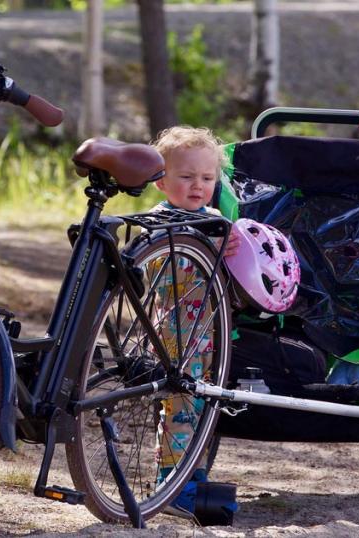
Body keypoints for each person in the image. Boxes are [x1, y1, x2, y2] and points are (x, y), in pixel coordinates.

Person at [147, 126, 237, 519]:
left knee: (203, 407)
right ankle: (171, 482)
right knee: (180, 407)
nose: (197, 186)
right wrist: (206, 249)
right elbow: (162, 274)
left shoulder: (214, 218)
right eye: (186, 177)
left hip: (208, 333)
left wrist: (230, 250)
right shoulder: (159, 222)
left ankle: (193, 475)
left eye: (206, 178)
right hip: (174, 333)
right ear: (161, 182)